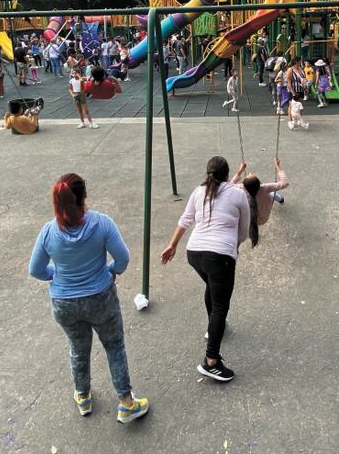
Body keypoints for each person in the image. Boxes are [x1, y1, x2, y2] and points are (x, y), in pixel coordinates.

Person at [29, 173, 149, 422]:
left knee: (78, 348)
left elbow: (36, 270)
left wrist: (58, 276)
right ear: (83, 196)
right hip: (100, 298)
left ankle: (83, 395)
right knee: (114, 346)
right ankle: (126, 403)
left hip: (64, 304)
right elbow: (123, 259)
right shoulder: (102, 224)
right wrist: (110, 272)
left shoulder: (49, 232)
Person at [159, 156, 251, 382]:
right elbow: (244, 230)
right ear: (228, 174)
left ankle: (214, 327)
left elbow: (185, 219)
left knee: (212, 286)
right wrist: (234, 246)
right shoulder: (238, 194)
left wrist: (172, 245)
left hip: (195, 253)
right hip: (220, 256)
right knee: (221, 306)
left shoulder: (198, 191)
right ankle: (211, 361)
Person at [231, 157, 288, 236]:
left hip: (249, 221)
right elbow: (284, 183)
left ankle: (281, 200)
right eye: (251, 175)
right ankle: (281, 200)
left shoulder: (241, 188)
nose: (250, 173)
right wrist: (277, 166)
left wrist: (240, 170)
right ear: (259, 184)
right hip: (264, 218)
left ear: (244, 185)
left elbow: (230, 185)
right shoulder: (264, 188)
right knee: (272, 194)